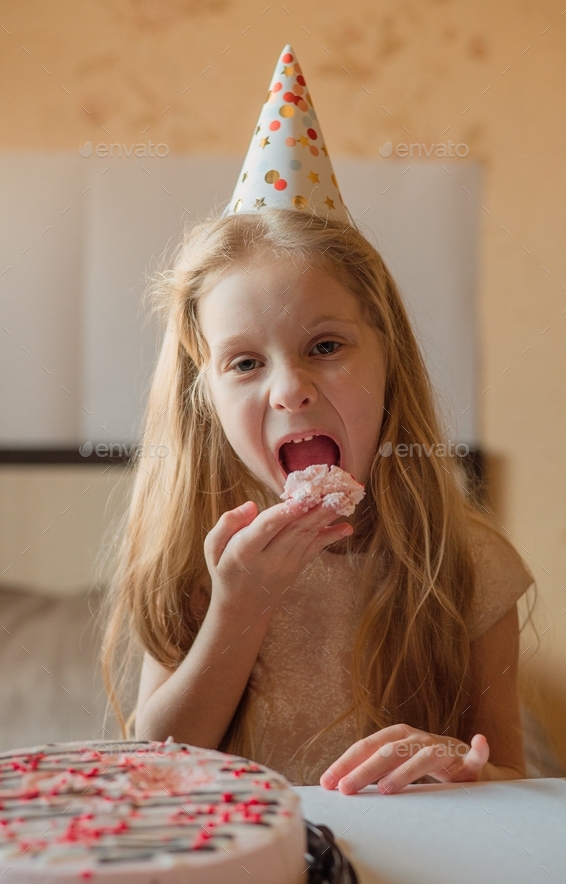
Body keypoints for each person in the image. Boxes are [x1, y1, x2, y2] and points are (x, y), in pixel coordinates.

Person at [99, 45, 537, 793]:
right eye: (244, 363)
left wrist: (466, 771)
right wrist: (241, 605)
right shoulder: (191, 561)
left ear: (388, 357)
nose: (290, 389)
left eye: (325, 346)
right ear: (204, 397)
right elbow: (153, 768)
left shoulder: (467, 566)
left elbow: (510, 779)